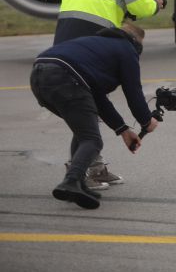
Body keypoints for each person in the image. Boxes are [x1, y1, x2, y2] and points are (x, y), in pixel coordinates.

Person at [53, 0, 166, 189]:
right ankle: (81, 173)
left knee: (84, 108)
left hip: (64, 40)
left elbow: (101, 1)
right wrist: (156, 2)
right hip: (93, 37)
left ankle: (93, 167)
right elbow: (142, 7)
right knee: (87, 107)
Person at [29, 22, 157, 210]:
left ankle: (78, 184)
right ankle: (71, 181)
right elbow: (133, 92)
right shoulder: (126, 48)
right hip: (66, 78)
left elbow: (97, 98)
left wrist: (122, 129)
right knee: (91, 139)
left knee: (83, 130)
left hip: (39, 76)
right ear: (136, 43)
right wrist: (147, 120)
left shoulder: (94, 45)